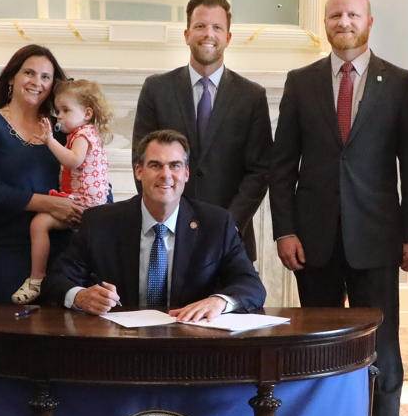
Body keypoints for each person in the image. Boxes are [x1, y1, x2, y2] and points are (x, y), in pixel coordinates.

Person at [269, 0, 408, 416]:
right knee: (315, 356)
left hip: (377, 242)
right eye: (335, 14)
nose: (344, 21)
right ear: (325, 23)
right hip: (312, 244)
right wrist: (283, 230)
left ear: (370, 22)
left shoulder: (401, 84)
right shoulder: (301, 82)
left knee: (383, 359)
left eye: (352, 14)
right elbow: (281, 164)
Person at [43, 130, 266, 318]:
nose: (166, 175)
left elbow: (251, 285)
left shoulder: (216, 223)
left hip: (192, 345)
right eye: (156, 165)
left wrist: (220, 302)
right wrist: (80, 296)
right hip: (120, 346)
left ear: (186, 173)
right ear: (139, 171)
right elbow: (56, 280)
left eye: (175, 165)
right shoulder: (101, 222)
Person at [132, 0, 272, 261]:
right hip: (168, 236)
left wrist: (227, 225)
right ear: (187, 35)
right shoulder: (157, 89)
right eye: (200, 26)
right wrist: (165, 217)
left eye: (217, 27)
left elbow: (260, 171)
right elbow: (142, 161)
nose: (208, 34)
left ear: (228, 38)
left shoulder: (252, 96)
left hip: (232, 239)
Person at [0, 44, 82, 305]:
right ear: (11, 78)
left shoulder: (63, 130)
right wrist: (50, 203)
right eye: (29, 73)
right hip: (3, 251)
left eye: (45, 77)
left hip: (62, 255)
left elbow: (93, 173)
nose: (36, 82)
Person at [13, 79, 113, 304]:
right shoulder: (82, 134)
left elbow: (74, 160)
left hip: (86, 202)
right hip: (86, 201)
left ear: (87, 113)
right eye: (58, 111)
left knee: (39, 223)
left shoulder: (83, 135)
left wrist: (49, 141)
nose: (60, 116)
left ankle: (36, 278)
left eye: (66, 110)